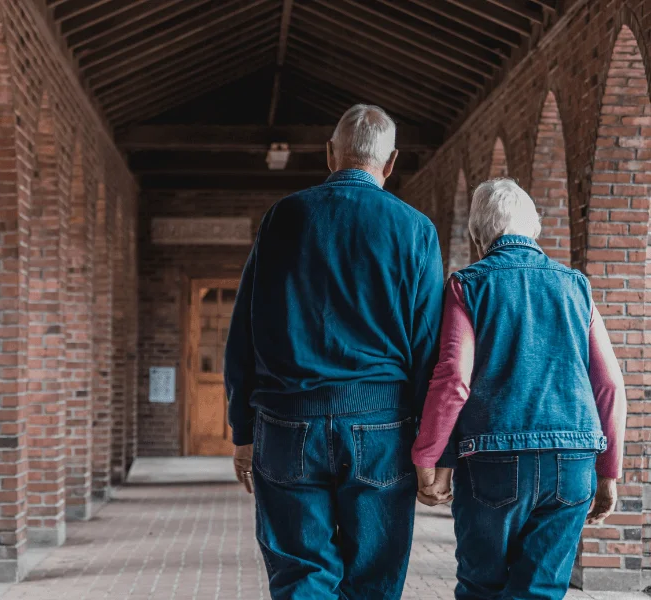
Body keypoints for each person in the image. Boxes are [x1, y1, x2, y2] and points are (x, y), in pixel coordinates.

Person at [224, 104, 445, 599]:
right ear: (390, 164)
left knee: (302, 576)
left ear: (330, 155)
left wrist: (243, 429)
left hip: (286, 421)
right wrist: (431, 445)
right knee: (374, 578)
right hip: (382, 426)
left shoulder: (284, 217)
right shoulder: (415, 229)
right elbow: (431, 348)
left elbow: (245, 331)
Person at [412, 178, 627, 600]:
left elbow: (454, 377)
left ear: (478, 238)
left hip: (495, 458)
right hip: (574, 458)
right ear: (534, 231)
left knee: (482, 586)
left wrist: (428, 454)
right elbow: (609, 385)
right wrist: (609, 470)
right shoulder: (576, 286)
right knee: (541, 590)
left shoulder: (468, 285)